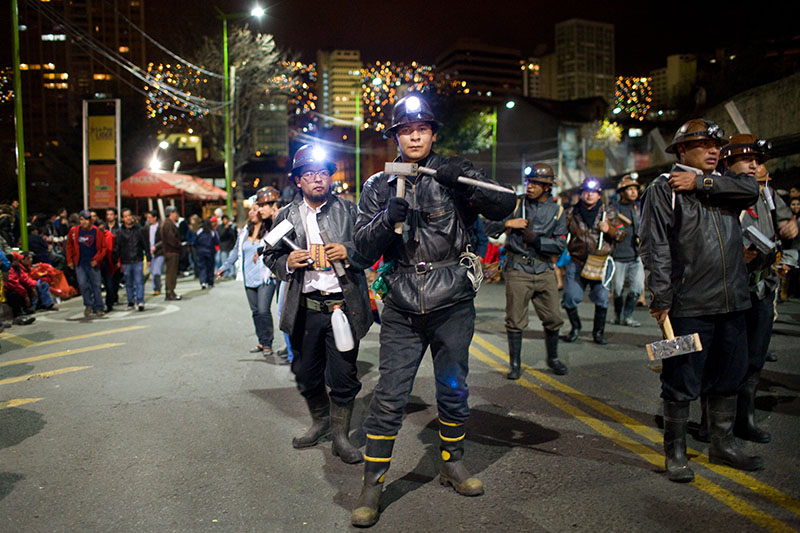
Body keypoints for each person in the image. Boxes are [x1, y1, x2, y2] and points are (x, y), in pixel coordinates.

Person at [350, 94, 515, 527]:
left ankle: (452, 462)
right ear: (396, 137)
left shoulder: (451, 174)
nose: (415, 134)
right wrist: (387, 218)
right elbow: (361, 253)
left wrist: (464, 178)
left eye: (422, 128)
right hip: (402, 305)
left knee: (454, 389)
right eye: (406, 129)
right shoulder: (376, 185)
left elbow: (506, 204)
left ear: (433, 133)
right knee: (389, 396)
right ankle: (373, 484)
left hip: (453, 301)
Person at [640, 119, 763, 483]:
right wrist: (661, 296)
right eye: (704, 144)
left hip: (733, 303)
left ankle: (722, 443)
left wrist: (702, 181)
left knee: (730, 375)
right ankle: (675, 451)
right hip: (687, 306)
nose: (714, 150)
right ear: (681, 150)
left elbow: (751, 189)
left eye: (717, 145)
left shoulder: (722, 185)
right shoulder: (663, 189)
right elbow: (654, 245)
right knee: (679, 376)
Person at [262, 144, 373, 466]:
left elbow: (370, 248)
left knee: (343, 376)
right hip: (305, 309)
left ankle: (340, 435)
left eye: (322, 173)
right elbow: (269, 254)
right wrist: (288, 261)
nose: (317, 180)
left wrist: (348, 251)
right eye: (309, 174)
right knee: (307, 374)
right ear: (298, 180)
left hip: (342, 307)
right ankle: (320, 422)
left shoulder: (349, 210)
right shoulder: (286, 215)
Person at [720, 136, 797, 443]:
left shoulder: (766, 194)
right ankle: (713, 422)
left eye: (758, 160)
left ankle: (744, 417)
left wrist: (791, 225)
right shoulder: (717, 193)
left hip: (762, 286)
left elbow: (786, 222)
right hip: (727, 286)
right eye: (746, 159)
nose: (755, 165)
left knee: (755, 357)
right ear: (728, 163)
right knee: (723, 357)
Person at [485, 163, 568, 378]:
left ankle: (553, 358)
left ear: (547, 186)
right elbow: (487, 227)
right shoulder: (515, 204)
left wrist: (538, 241)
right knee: (515, 319)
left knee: (553, 317)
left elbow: (560, 244)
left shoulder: (558, 211)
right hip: (518, 269)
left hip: (544, 268)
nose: (530, 187)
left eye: (536, 183)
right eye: (529, 182)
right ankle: (515, 364)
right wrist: (508, 224)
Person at [561, 178, 626, 345]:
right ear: (581, 194)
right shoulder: (570, 213)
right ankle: (576, 327)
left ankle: (598, 333)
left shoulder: (609, 212)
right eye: (586, 192)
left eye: (594, 192)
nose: (589, 195)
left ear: (599, 195)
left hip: (599, 262)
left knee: (601, 298)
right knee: (569, 297)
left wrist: (610, 229)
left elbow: (621, 233)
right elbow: (560, 234)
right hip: (577, 261)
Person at [219, 188, 281, 358]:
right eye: (252, 209)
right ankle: (261, 341)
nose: (253, 212)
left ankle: (268, 342)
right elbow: (234, 252)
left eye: (256, 209)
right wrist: (224, 267)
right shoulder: (244, 231)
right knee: (255, 312)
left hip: (265, 278)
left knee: (263, 310)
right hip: (249, 278)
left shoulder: (270, 230)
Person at [611, 175, 644, 327]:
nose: (633, 192)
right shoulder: (613, 208)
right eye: (629, 189)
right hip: (618, 256)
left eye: (635, 189)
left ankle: (628, 316)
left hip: (636, 255)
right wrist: (621, 224)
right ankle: (618, 315)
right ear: (621, 192)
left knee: (637, 288)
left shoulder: (640, 207)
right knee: (617, 289)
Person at [66, 209, 106, 317]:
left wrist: (97, 260)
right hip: (80, 263)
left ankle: (99, 307)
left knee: (96, 285)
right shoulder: (74, 231)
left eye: (87, 220)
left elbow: (103, 248)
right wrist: (69, 260)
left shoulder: (97, 231)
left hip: (93, 263)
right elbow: (69, 246)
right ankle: (88, 304)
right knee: (83, 284)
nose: (84, 222)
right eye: (82, 219)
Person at [114, 208, 150, 311]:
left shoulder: (139, 230)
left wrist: (148, 258)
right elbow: (117, 247)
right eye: (125, 216)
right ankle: (131, 301)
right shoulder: (120, 232)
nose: (128, 218)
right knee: (128, 282)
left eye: (129, 215)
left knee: (139, 281)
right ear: (122, 219)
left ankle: (140, 301)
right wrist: (116, 260)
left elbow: (145, 244)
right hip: (125, 260)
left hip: (138, 259)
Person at [160, 206, 182, 300]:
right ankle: (170, 292)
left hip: (171, 251)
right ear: (171, 213)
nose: (176, 215)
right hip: (171, 251)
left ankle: (170, 291)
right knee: (171, 273)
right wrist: (178, 244)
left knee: (171, 273)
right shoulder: (168, 224)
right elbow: (171, 238)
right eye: (175, 213)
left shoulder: (167, 223)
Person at [194, 218, 219, 290]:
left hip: (200, 252)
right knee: (210, 267)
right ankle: (210, 282)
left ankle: (203, 281)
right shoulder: (212, 232)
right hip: (210, 252)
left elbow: (195, 241)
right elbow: (216, 241)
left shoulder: (200, 231)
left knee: (202, 267)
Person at [144, 211, 163, 296]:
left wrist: (156, 247)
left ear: (155, 218)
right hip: (150, 253)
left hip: (159, 252)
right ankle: (155, 287)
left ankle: (157, 288)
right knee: (151, 271)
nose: (148, 220)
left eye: (150, 217)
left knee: (156, 271)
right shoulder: (146, 228)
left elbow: (163, 240)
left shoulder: (160, 227)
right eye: (147, 218)